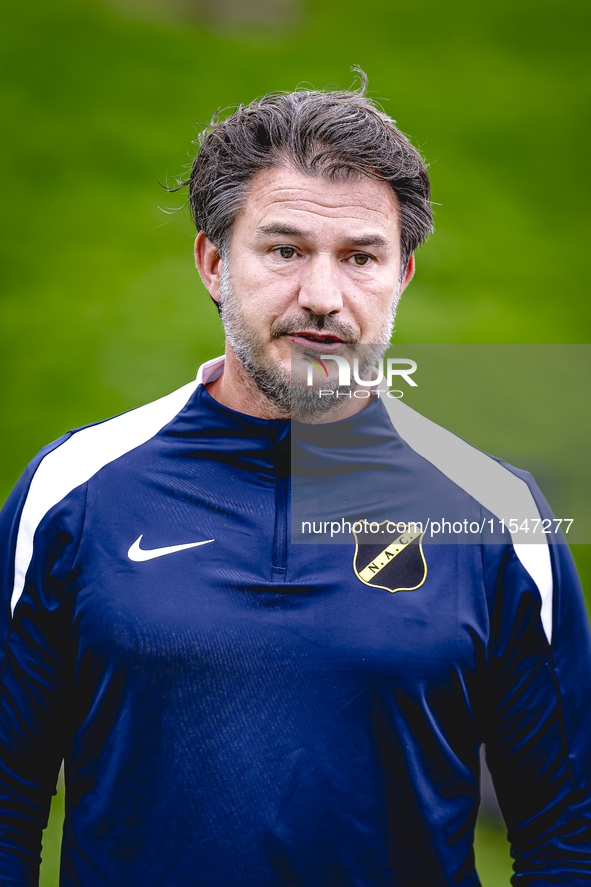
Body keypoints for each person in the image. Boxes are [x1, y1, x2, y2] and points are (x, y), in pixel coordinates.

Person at [0, 72, 590, 887]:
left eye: (359, 257)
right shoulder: (73, 491)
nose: (322, 296)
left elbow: (567, 838)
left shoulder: (497, 517)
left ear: (401, 277)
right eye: (283, 249)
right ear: (213, 261)